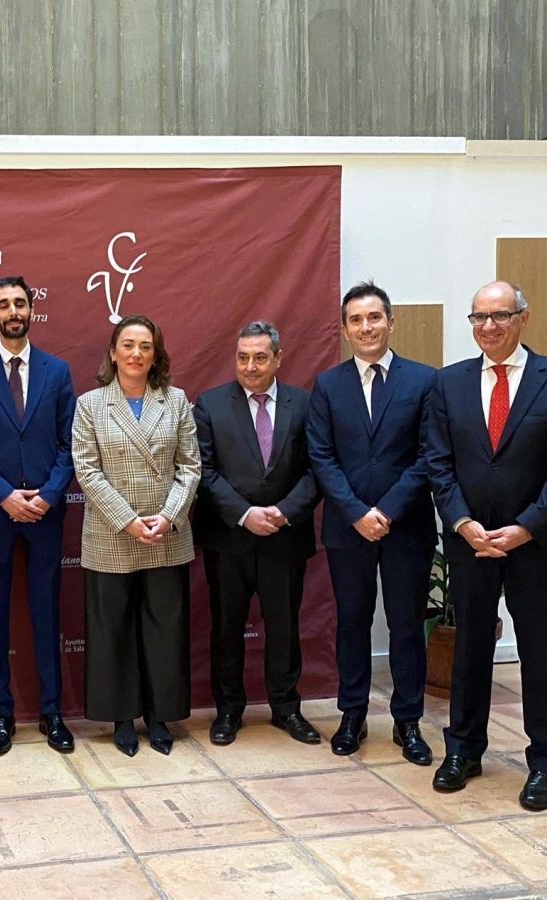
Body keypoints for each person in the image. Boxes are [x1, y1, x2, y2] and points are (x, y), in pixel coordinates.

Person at [425, 281, 547, 810]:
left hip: (535, 544)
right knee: (470, 646)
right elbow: (438, 462)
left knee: (539, 652)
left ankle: (543, 762)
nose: (489, 326)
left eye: (500, 315)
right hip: (469, 541)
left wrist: (527, 526)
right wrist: (461, 521)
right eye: (479, 317)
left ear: (522, 318)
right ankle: (463, 750)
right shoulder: (448, 383)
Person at [306, 282, 437, 763]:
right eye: (356, 320)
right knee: (352, 623)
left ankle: (408, 722)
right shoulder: (327, 385)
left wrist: (388, 510)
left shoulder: (424, 380)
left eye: (374, 317)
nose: (366, 327)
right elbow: (321, 457)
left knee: (406, 626)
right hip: (348, 528)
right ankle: (353, 714)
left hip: (407, 527)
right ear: (345, 330)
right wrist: (358, 512)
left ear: (391, 322)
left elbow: (429, 455)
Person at [0, 276, 76, 756]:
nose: (13, 311)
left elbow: (70, 441)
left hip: (46, 511)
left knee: (47, 612)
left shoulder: (57, 371)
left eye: (20, 303)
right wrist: (3, 494)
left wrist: (49, 494)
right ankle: (1, 715)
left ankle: (51, 712)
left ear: (31, 310)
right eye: (3, 304)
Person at [71, 315, 200, 757]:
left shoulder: (176, 401)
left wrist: (168, 516)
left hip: (165, 534)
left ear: (155, 354)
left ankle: (160, 716)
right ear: (113, 352)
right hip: (111, 535)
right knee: (113, 631)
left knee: (165, 630)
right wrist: (127, 520)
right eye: (127, 345)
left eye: (145, 346)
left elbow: (190, 466)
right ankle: (122, 718)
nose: (136, 354)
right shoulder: (90, 405)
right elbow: (87, 470)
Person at [193, 321, 322, 747]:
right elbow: (203, 472)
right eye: (243, 357)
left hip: (285, 538)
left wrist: (284, 513)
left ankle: (286, 708)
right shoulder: (210, 404)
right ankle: (229, 710)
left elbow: (317, 469)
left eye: (260, 357)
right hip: (228, 537)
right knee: (226, 627)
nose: (250, 366)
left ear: (278, 359)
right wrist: (244, 513)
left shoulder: (305, 404)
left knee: (284, 628)